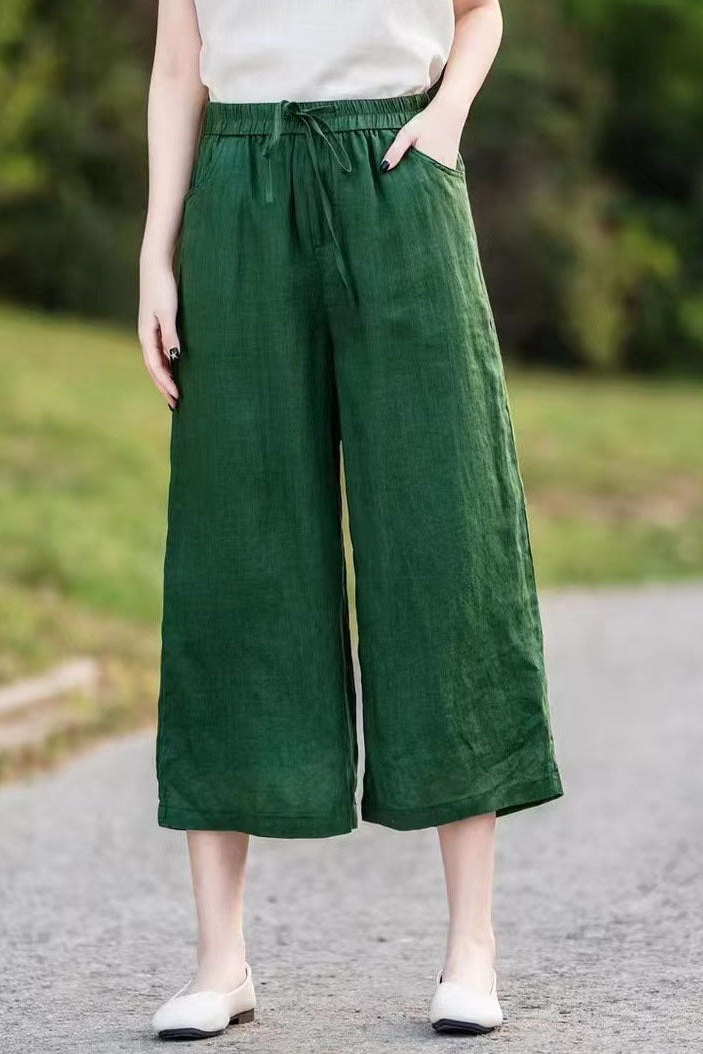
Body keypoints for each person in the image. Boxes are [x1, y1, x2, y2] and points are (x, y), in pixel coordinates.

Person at [138, 0, 562, 1039]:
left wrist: (445, 119)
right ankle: (219, 961)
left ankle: (470, 948)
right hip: (239, 187)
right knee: (234, 550)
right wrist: (156, 252)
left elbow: (479, 13)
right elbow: (178, 67)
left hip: (396, 172)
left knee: (442, 537)